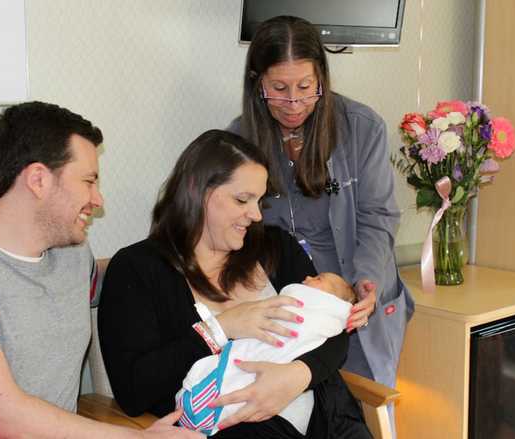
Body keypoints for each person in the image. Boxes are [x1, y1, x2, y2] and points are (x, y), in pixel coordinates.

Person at [0, 101, 201, 439]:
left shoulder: (73, 256)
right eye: (89, 181)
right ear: (38, 179)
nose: (98, 200)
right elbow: (2, 418)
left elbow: (131, 281)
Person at [98, 130, 372, 439]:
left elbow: (332, 330)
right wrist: (220, 329)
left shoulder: (276, 248)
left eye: (259, 200)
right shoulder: (137, 270)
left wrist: (297, 376)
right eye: (242, 199)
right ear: (196, 189)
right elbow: (134, 392)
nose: (256, 215)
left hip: (329, 417)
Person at [227, 15, 414, 405]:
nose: (293, 103)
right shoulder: (239, 139)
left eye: (305, 87)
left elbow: (378, 217)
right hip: (287, 313)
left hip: (355, 300)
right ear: (257, 82)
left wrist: (366, 281)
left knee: (362, 410)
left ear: (322, 81)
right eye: (279, 88)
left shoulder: (361, 127)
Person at [176, 273, 356, 436]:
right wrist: (219, 327)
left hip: (325, 416)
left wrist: (301, 373)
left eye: (318, 279)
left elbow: (338, 337)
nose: (307, 277)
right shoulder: (157, 271)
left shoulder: (281, 248)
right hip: (248, 424)